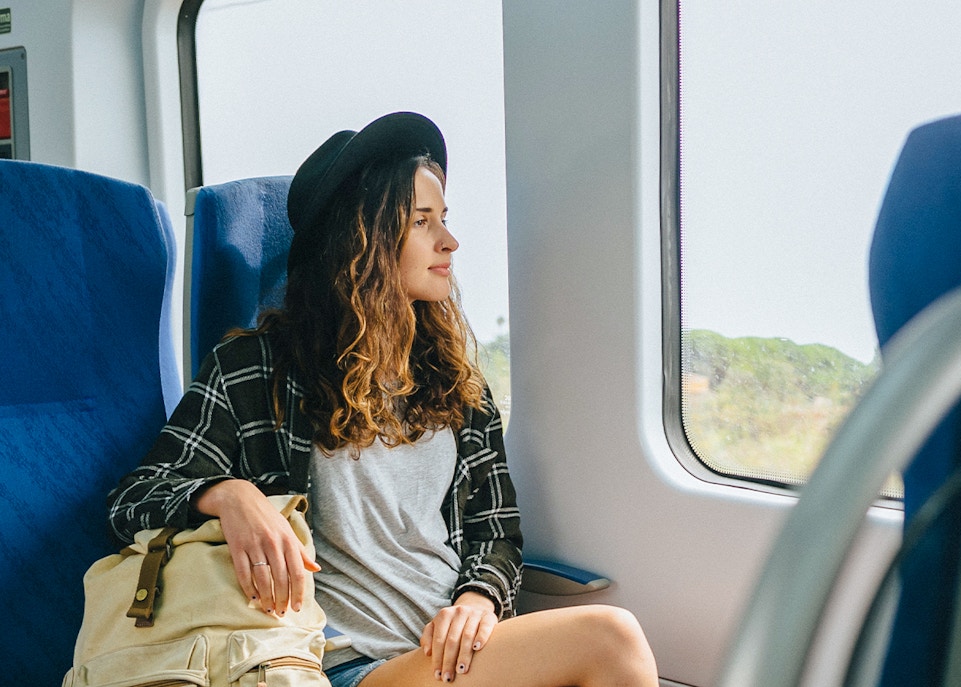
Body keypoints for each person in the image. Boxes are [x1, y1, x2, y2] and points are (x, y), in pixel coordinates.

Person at [107, 112, 658, 687]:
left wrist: (478, 598)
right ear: (362, 239)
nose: (450, 241)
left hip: (459, 653)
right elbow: (132, 501)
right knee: (611, 641)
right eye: (422, 222)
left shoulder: (454, 379)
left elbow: (494, 529)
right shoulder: (257, 369)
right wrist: (230, 495)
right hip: (345, 665)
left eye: (443, 219)